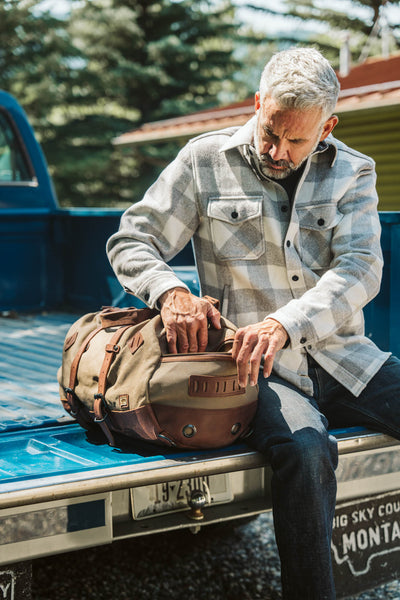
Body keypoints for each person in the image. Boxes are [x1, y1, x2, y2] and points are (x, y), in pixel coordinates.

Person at [107, 47, 400, 599]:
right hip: (255, 369)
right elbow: (132, 239)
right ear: (260, 103)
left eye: (297, 140)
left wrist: (287, 323)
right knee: (307, 449)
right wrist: (170, 290)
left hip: (344, 357)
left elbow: (361, 269)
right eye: (271, 131)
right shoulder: (203, 161)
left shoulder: (356, 171)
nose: (277, 150)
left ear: (328, 126)